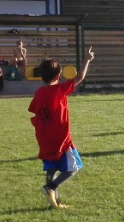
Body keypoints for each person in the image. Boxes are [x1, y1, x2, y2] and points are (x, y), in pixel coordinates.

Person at [28, 47, 95, 209]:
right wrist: (87, 60)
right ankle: (51, 188)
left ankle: (55, 202)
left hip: (44, 138)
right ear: (58, 76)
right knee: (74, 167)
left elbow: (35, 111)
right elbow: (79, 77)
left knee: (51, 168)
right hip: (60, 138)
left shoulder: (39, 92)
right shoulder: (59, 90)